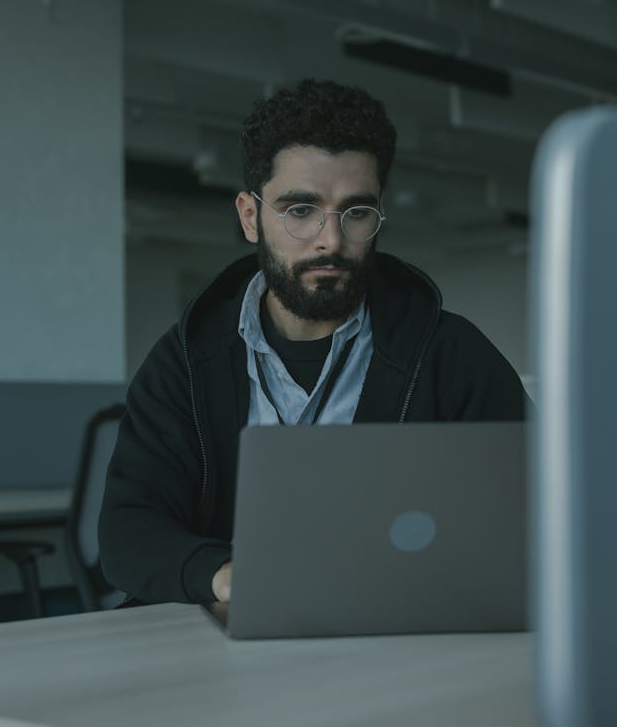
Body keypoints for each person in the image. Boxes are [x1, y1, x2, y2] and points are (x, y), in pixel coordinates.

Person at [98, 78, 528, 607]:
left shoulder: (449, 356)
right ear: (251, 217)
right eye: (300, 210)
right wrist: (229, 576)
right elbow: (127, 531)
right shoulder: (186, 361)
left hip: (394, 638)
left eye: (357, 212)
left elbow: (540, 508)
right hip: (223, 644)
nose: (330, 239)